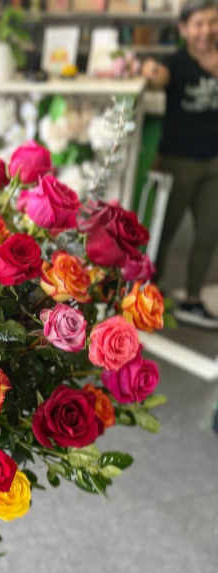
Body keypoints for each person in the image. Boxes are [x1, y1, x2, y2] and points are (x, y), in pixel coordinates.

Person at [142, 0, 218, 328]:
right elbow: (158, 79)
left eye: (213, 22)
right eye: (199, 23)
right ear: (184, 29)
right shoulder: (175, 62)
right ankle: (148, 298)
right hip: (177, 161)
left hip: (214, 163)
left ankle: (192, 299)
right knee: (163, 232)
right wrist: (149, 72)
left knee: (209, 234)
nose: (206, 30)